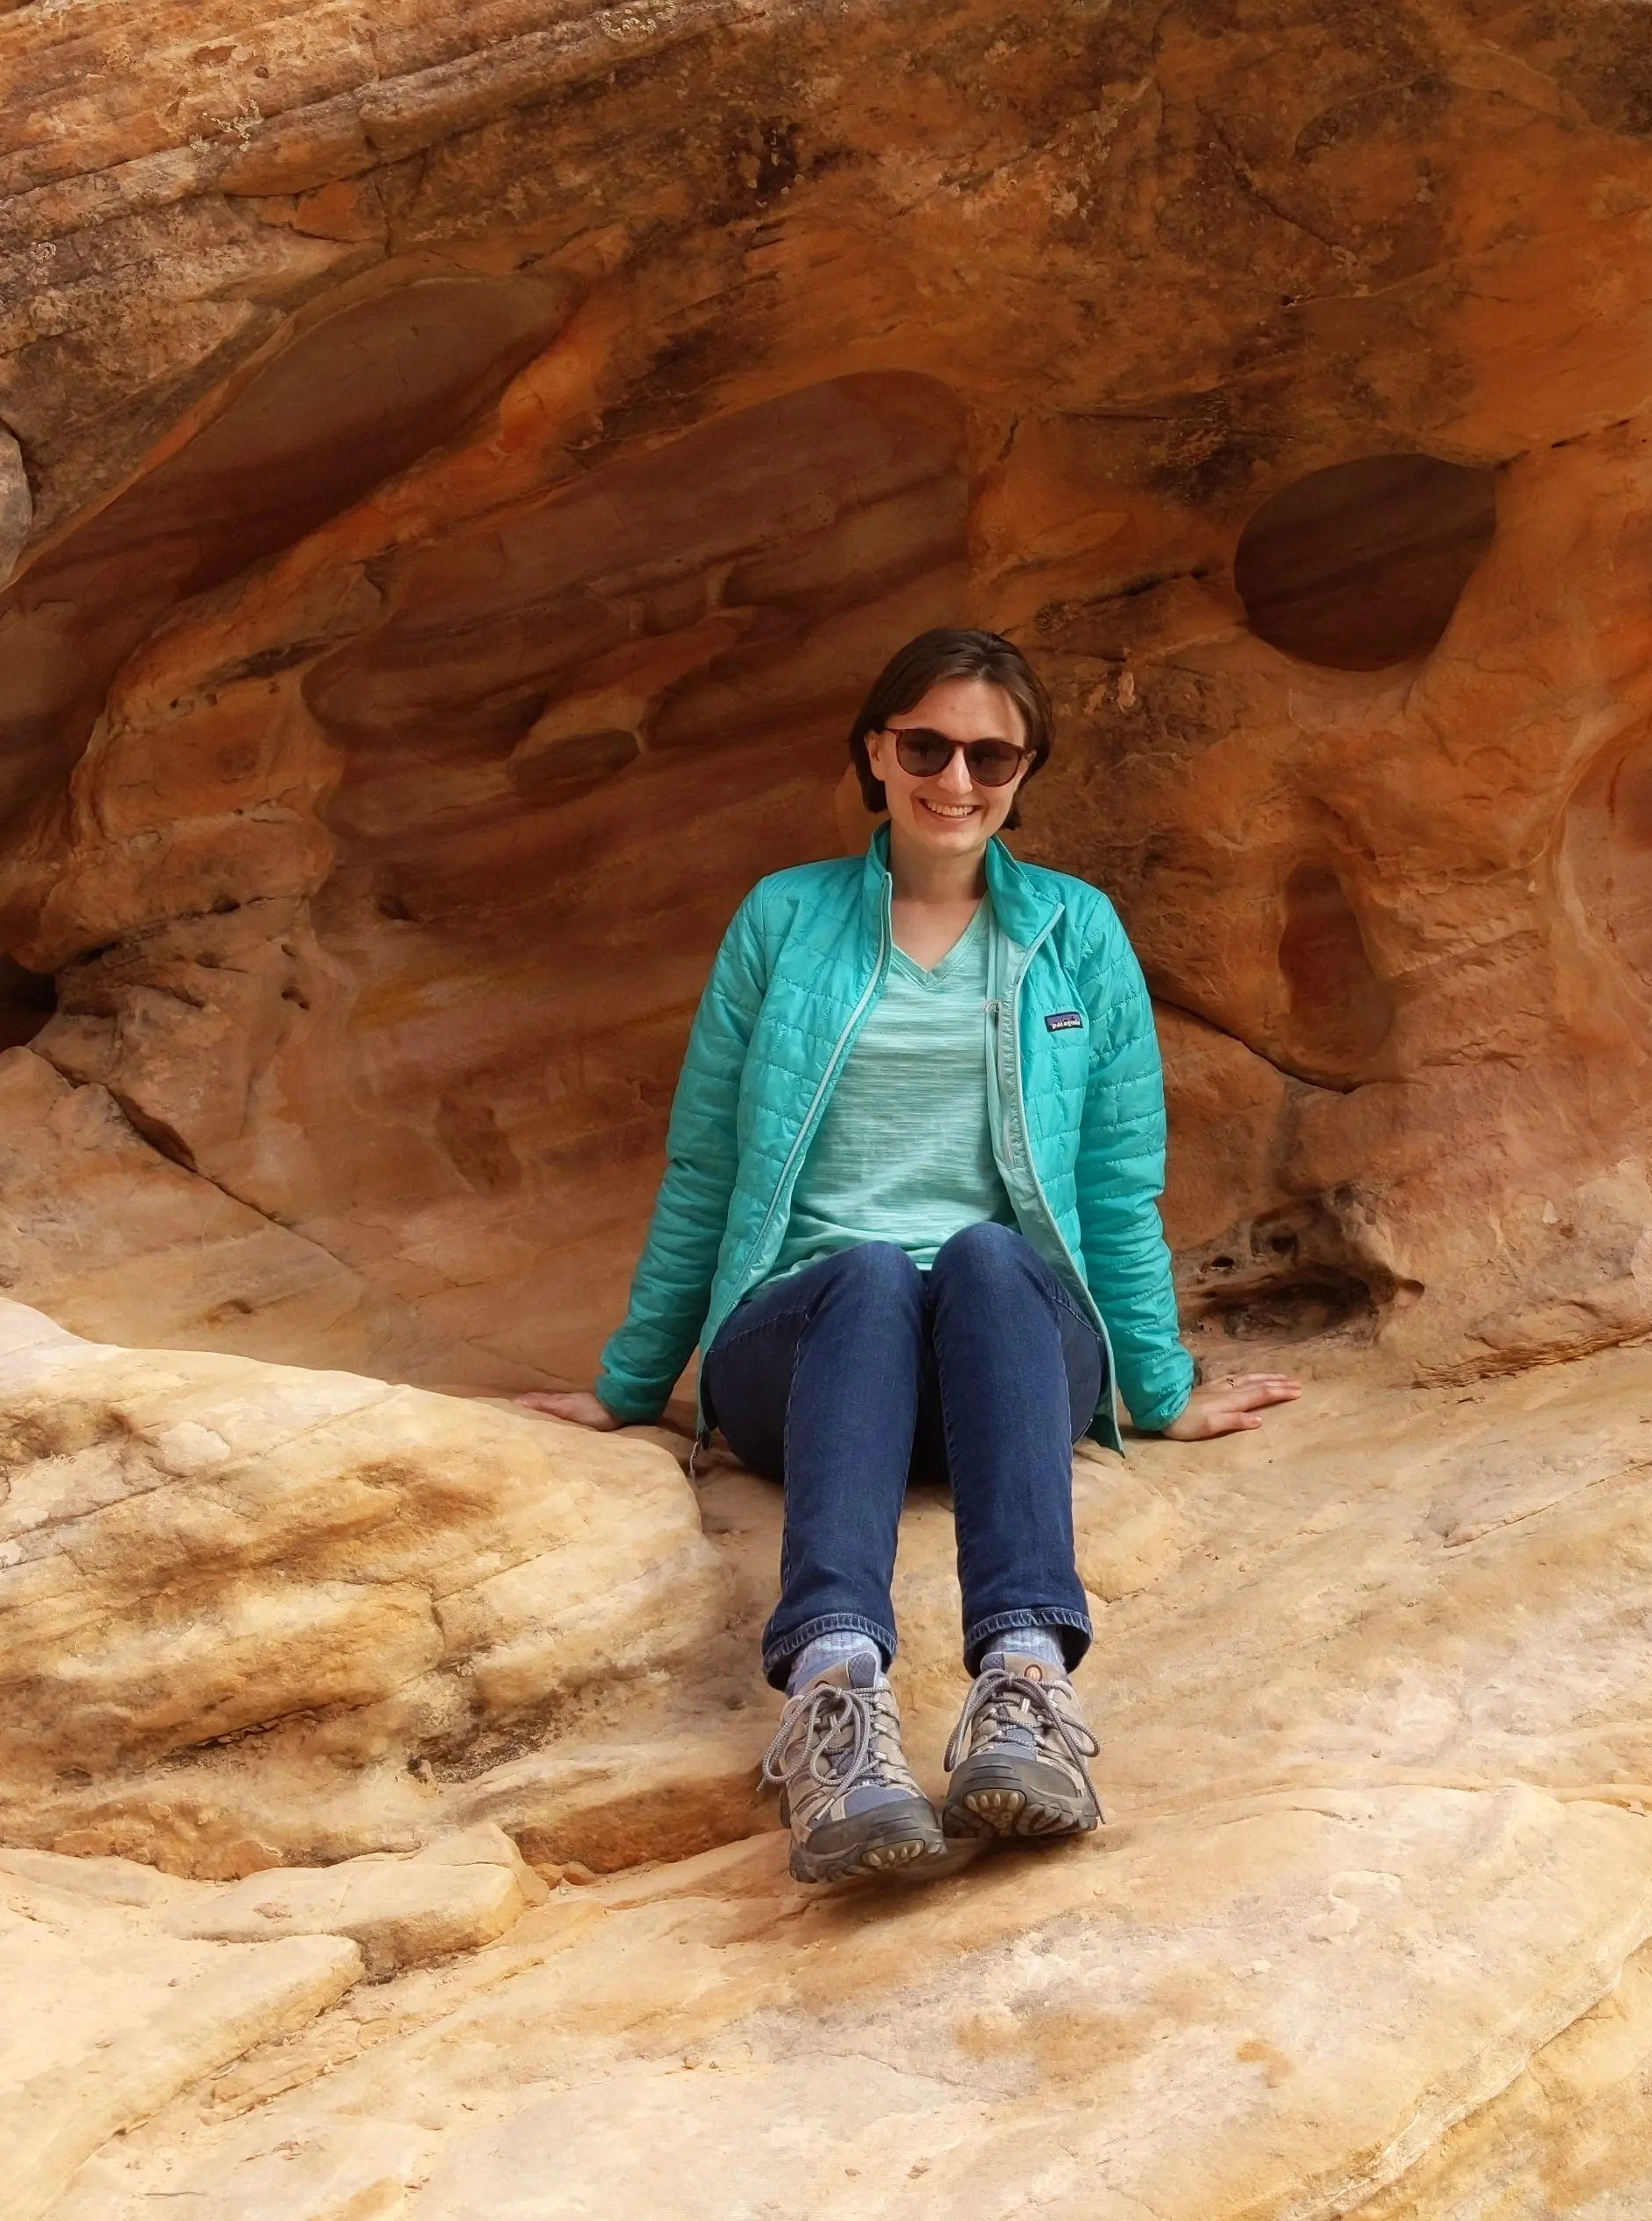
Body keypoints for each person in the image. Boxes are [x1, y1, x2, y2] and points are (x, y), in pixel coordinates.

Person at [517, 627, 1301, 1883]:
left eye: (992, 754)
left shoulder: (1072, 935)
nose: (958, 778)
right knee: (875, 1271)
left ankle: (1026, 1694)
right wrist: (626, 1388)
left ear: (1025, 770)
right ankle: (835, 1703)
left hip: (1002, 1356)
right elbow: (707, 1167)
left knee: (991, 1259)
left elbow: (1115, 1183)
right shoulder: (786, 920)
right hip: (815, 1351)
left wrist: (1157, 1391)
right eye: (927, 745)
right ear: (876, 752)